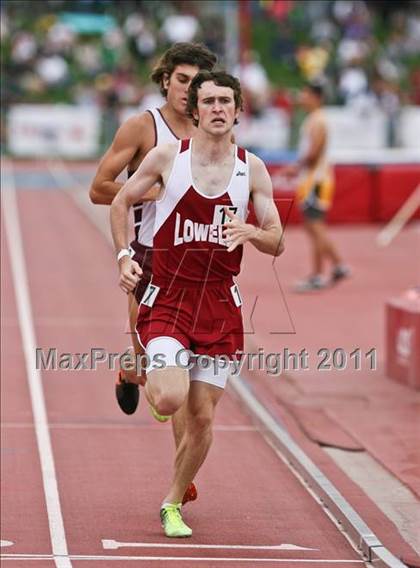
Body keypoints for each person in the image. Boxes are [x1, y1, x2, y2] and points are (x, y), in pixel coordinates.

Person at [110, 70, 284, 537]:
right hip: (169, 298)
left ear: (239, 110)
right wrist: (124, 254)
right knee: (170, 397)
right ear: (196, 109)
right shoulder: (169, 157)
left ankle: (172, 501)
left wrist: (253, 232)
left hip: (219, 306)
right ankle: (146, 375)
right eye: (208, 101)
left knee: (203, 417)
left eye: (226, 101)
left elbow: (277, 238)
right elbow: (120, 201)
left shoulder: (253, 169)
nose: (218, 109)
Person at [90, 42, 217, 506]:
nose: (189, 89)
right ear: (166, 80)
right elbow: (100, 188)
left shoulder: (212, 131)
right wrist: (155, 190)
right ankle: (131, 371)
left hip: (197, 267)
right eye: (182, 80)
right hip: (147, 262)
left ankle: (180, 480)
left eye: (198, 83)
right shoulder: (144, 128)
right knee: (155, 365)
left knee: (179, 372)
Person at [283, 82, 350, 292]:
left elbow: (315, 152)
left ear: (316, 97)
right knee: (313, 226)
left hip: (316, 180)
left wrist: (296, 167)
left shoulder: (318, 121)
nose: (302, 97)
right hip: (312, 179)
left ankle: (320, 273)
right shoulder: (313, 120)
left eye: (305, 93)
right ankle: (337, 265)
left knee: (315, 225)